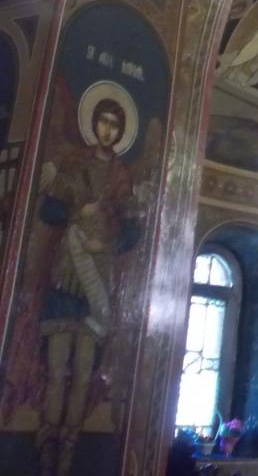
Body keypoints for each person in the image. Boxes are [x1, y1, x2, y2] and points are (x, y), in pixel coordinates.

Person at [34, 98, 141, 476]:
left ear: (120, 131)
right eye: (103, 122)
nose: (107, 130)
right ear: (94, 124)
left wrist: (107, 244)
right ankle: (48, 443)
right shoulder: (75, 166)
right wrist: (77, 214)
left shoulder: (121, 177)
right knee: (57, 368)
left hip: (97, 276)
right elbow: (49, 210)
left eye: (114, 124)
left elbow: (132, 229)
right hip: (67, 273)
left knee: (82, 372)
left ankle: (69, 447)